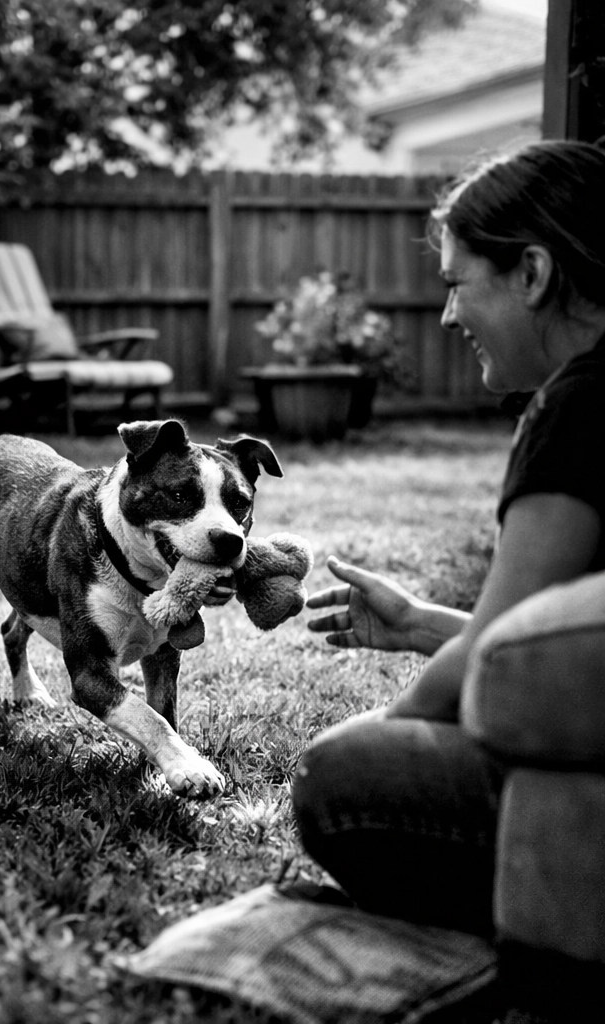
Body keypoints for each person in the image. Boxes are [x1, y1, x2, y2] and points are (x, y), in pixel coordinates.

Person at [290, 140, 605, 940]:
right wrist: (427, 626)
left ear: (532, 275)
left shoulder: (578, 407)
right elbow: (575, 654)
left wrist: (392, 725)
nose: (448, 315)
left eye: (459, 285)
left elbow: (501, 662)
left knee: (340, 773)